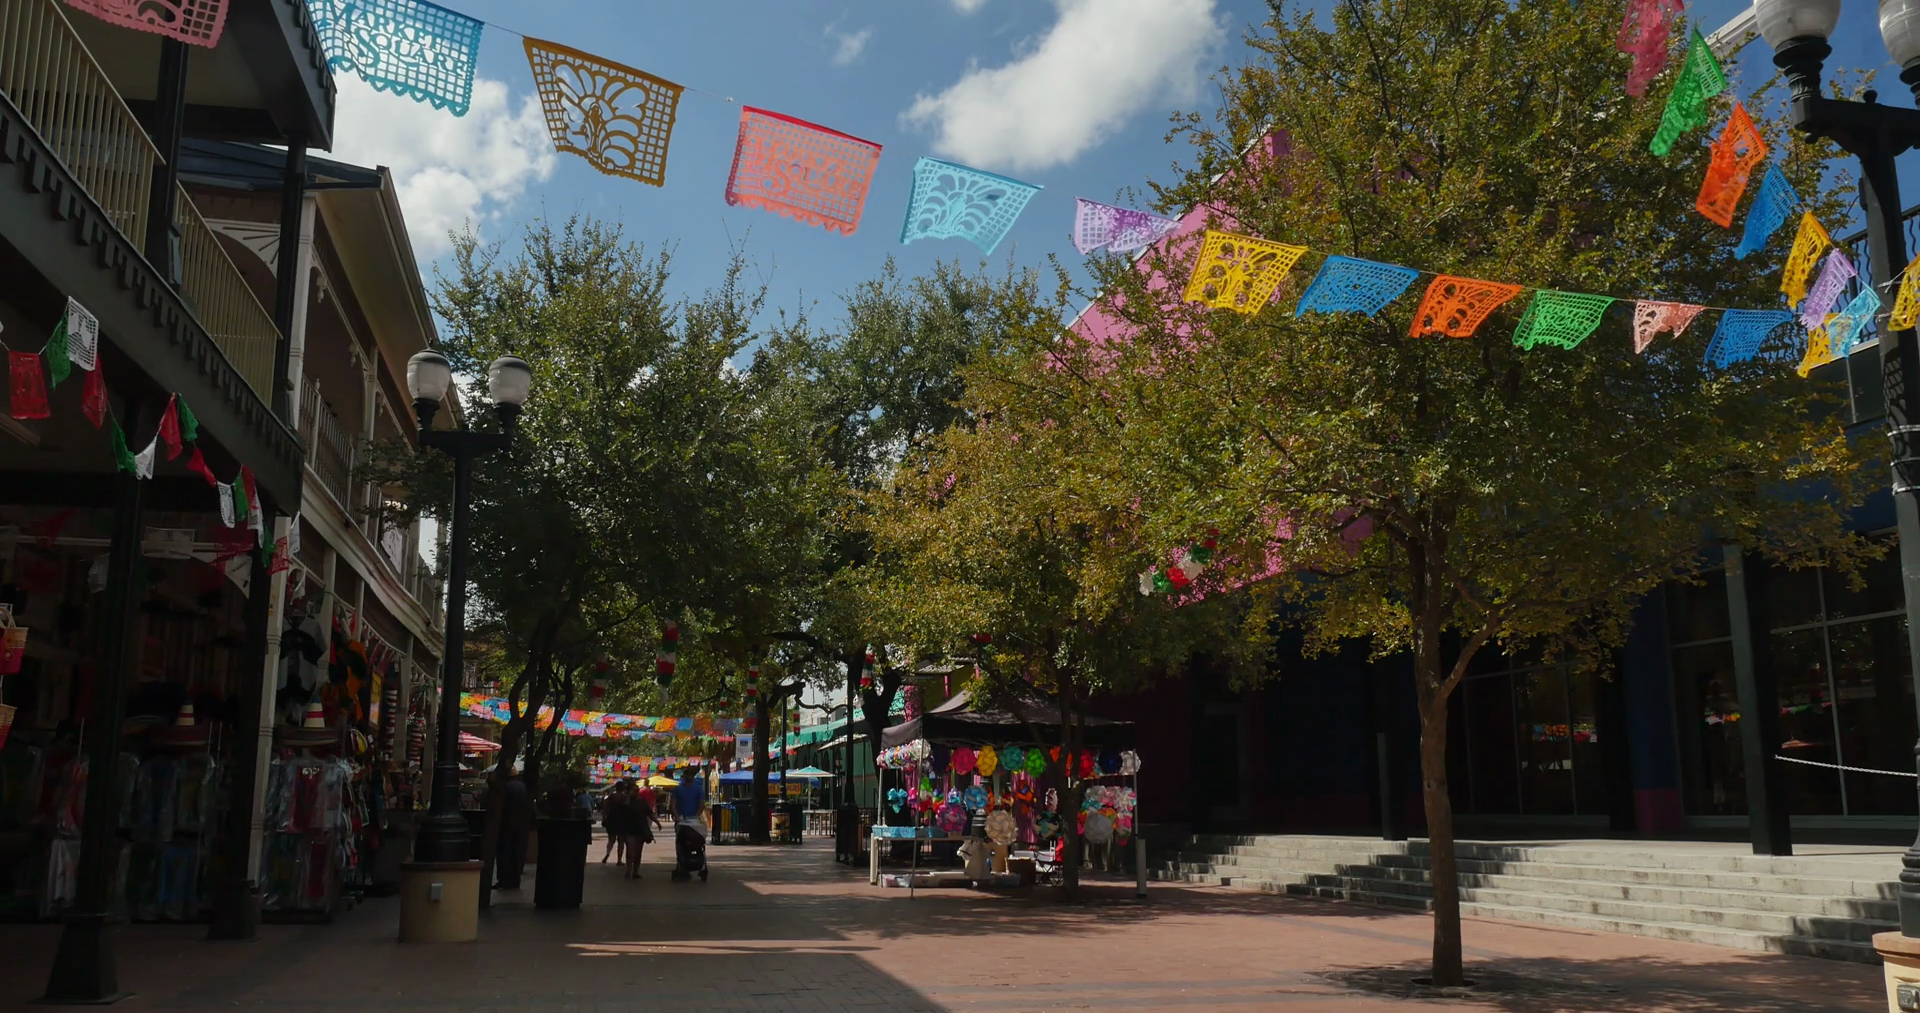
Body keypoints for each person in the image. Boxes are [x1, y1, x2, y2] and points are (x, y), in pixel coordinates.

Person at [495, 770, 532, 890]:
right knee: (516, 853)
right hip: (520, 824)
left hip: (506, 824)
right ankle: (515, 880)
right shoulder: (522, 787)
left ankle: (504, 880)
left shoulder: (505, 787)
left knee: (504, 853)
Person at [600, 782, 632, 865]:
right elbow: (628, 808)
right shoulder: (625, 797)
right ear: (623, 788)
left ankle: (607, 854)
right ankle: (619, 860)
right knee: (621, 841)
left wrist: (604, 818)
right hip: (622, 820)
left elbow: (605, 808)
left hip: (611, 819)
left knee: (611, 840)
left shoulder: (610, 796)